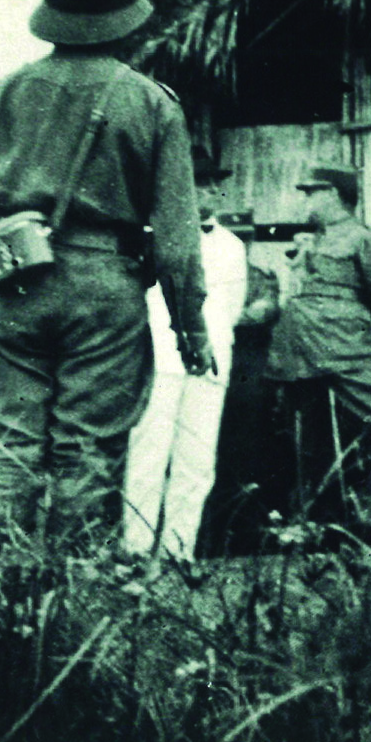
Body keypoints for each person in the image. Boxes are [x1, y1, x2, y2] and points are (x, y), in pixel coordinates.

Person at [0, 0, 213, 563]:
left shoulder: (1, 95)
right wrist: (190, 327)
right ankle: (75, 607)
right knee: (88, 453)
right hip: (104, 292)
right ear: (124, 16)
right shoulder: (152, 103)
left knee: (12, 447)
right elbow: (178, 245)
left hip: (11, 286)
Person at [265, 162, 371, 533]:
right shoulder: (312, 241)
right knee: (306, 428)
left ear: (334, 194)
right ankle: (315, 514)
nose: (307, 199)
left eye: (313, 191)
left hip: (347, 344)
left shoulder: (364, 238)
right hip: (299, 348)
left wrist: (355, 329)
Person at [120, 151, 249, 560]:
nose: (211, 191)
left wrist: (214, 345)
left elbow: (230, 308)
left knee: (196, 463)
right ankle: (136, 551)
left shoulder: (232, 246)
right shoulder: (151, 238)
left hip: (211, 365)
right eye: (200, 183)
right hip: (161, 360)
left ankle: (178, 553)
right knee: (148, 457)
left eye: (214, 184)